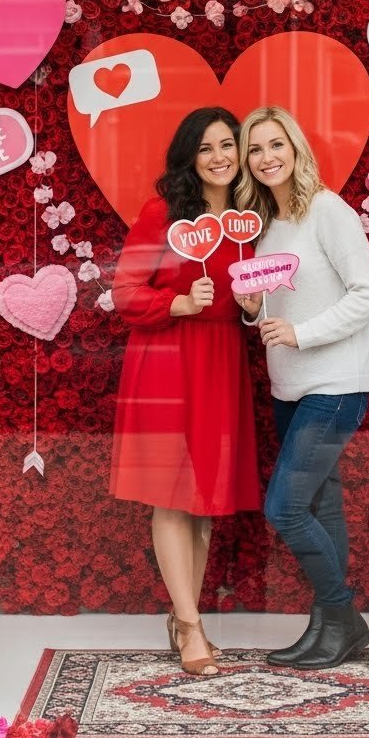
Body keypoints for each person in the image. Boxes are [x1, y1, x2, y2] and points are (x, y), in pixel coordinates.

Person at [110, 107, 261, 677]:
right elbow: (125, 290)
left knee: (205, 506)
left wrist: (253, 306)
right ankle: (192, 626)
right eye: (206, 148)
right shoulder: (163, 213)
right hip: (169, 361)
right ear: (188, 157)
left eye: (229, 145)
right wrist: (176, 302)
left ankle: (182, 617)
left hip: (222, 360)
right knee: (173, 497)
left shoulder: (252, 217)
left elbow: (260, 287)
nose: (220, 157)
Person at [235, 105, 369, 669]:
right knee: (322, 506)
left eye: (277, 145)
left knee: (286, 507)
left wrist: (302, 333)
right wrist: (255, 311)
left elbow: (367, 293)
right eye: (256, 148)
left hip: (336, 382)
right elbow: (282, 302)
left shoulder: (328, 211)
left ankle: (343, 615)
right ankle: (328, 630)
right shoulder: (267, 224)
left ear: (296, 150)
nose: (266, 157)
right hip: (290, 385)